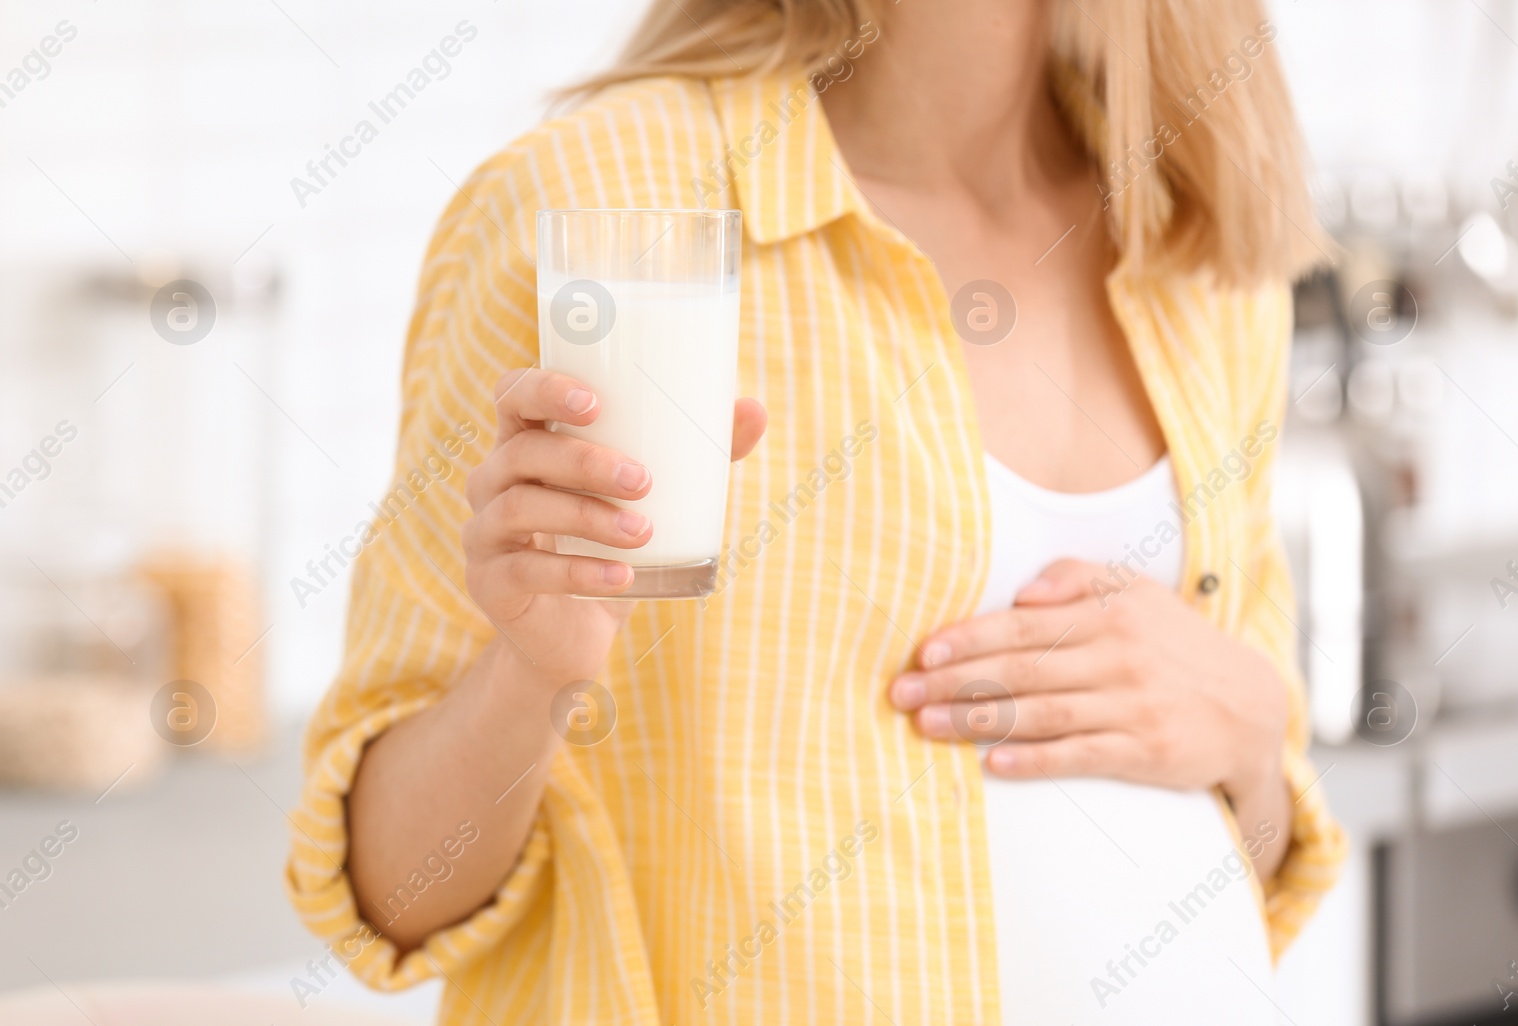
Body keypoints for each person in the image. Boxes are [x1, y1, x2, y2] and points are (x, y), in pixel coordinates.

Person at [286, 1, 1347, 1022]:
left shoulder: (1195, 233)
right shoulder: (603, 206)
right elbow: (392, 899)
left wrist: (1248, 736)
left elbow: (1254, 853)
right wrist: (531, 672)